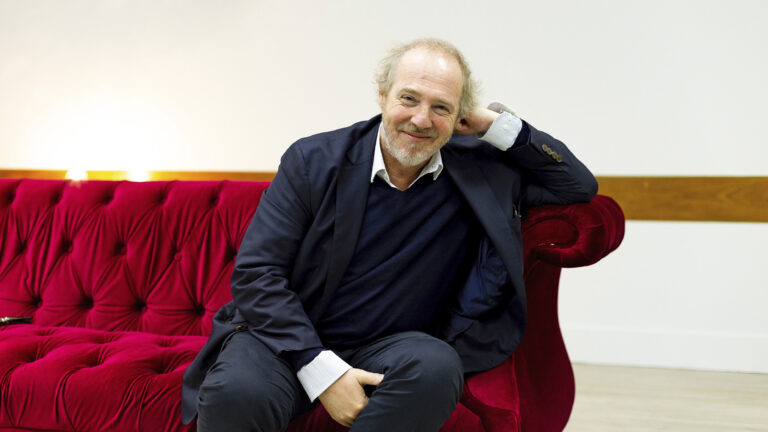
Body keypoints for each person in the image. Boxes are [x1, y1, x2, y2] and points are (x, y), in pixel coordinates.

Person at [181, 38, 597, 431]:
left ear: (459, 118)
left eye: (441, 108)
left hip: (390, 347)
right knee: (238, 392)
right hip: (286, 338)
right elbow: (256, 273)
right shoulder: (313, 160)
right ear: (383, 95)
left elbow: (577, 185)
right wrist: (323, 371)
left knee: (436, 366)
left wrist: (494, 123)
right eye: (409, 98)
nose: (421, 119)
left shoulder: (482, 171)